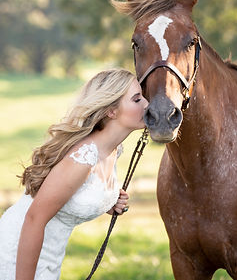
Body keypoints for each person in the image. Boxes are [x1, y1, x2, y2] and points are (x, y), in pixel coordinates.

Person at [0, 68, 148, 280]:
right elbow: (34, 218)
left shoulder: (113, 149)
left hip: (50, 252)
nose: (147, 104)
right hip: (21, 247)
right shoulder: (83, 157)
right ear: (111, 111)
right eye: (137, 99)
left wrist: (109, 201)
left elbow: (78, 193)